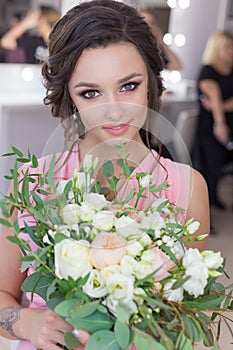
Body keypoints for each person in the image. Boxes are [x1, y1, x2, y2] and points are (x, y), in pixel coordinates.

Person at [0, 1, 209, 349]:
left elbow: (184, 313)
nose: (114, 109)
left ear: (151, 84)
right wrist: (25, 321)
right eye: (91, 92)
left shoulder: (187, 188)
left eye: (128, 85)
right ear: (69, 96)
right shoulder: (32, 182)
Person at [193, 31, 233, 214]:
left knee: (220, 170)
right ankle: (204, 214)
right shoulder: (208, 70)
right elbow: (214, 96)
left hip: (227, 125)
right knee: (210, 171)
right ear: (217, 48)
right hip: (210, 130)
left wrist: (220, 106)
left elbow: (217, 103)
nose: (232, 50)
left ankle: (215, 198)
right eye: (228, 47)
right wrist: (220, 124)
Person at [140, 6, 183, 71]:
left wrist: (162, 42)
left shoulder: (155, 52)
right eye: (145, 23)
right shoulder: (131, 47)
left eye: (151, 24)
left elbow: (177, 66)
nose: (148, 28)